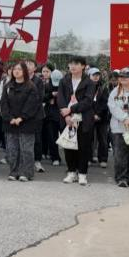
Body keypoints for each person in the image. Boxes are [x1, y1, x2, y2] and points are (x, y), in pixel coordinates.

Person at [57, 56, 97, 186]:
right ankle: (71, 172)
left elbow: (88, 101)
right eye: (71, 64)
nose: (73, 66)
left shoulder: (89, 83)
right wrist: (66, 114)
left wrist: (71, 109)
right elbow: (60, 98)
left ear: (83, 66)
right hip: (67, 118)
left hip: (83, 118)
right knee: (69, 146)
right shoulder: (64, 81)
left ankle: (82, 174)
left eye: (76, 64)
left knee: (83, 147)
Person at [1, 62, 41, 182]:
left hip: (27, 122)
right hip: (11, 122)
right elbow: (4, 104)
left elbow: (32, 104)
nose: (16, 71)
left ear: (25, 71)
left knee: (26, 149)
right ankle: (14, 171)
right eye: (14, 69)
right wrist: (10, 118)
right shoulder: (8, 86)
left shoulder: (31, 86)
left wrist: (21, 117)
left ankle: (26, 173)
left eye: (19, 69)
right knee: (12, 149)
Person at [40, 65, 61, 167]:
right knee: (51, 136)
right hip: (49, 114)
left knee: (64, 137)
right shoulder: (45, 85)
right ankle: (54, 157)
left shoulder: (62, 84)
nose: (45, 73)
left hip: (62, 113)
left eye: (47, 71)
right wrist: (51, 95)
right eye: (43, 71)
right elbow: (42, 98)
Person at [89, 68, 111, 169]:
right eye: (93, 75)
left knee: (103, 139)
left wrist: (98, 114)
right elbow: (85, 102)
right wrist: (91, 114)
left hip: (102, 118)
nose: (96, 77)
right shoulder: (85, 87)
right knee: (88, 139)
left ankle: (103, 159)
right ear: (89, 75)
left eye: (97, 75)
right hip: (89, 117)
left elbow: (105, 103)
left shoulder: (103, 87)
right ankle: (88, 158)